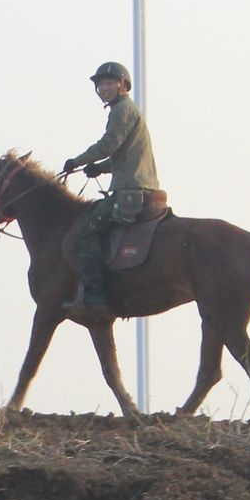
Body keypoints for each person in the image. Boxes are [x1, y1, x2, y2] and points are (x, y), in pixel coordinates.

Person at [58, 61, 162, 315]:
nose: (103, 88)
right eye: (100, 85)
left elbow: (109, 144)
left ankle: (94, 298)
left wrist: (78, 161)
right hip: (137, 185)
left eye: (107, 83)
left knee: (86, 234)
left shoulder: (121, 111)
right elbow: (121, 155)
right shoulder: (127, 110)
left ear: (122, 85)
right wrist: (101, 169)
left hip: (130, 191)